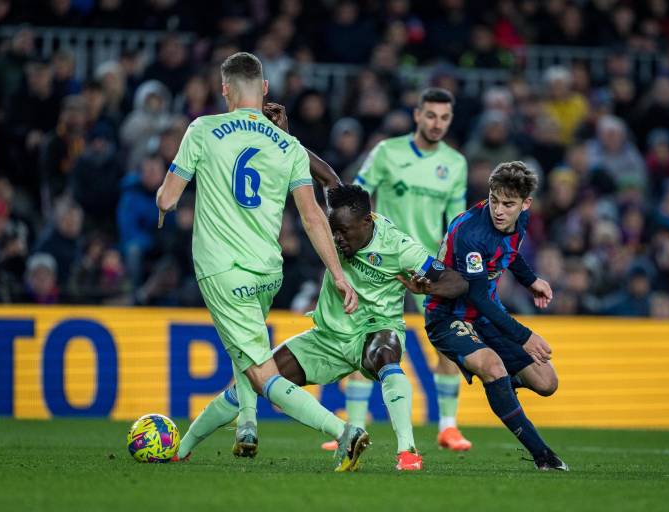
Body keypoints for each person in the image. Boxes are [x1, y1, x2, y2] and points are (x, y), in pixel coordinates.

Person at [155, 52, 366, 472]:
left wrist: (165, 206)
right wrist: (339, 275)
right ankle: (236, 428)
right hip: (268, 272)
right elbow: (311, 216)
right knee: (245, 360)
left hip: (222, 270)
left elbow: (167, 196)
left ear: (224, 89)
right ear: (264, 89)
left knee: (262, 374)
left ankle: (344, 432)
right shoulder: (288, 145)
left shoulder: (203, 129)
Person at [176, 185, 469, 471]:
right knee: (256, 381)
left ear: (367, 221)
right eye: (334, 231)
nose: (338, 239)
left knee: (385, 355)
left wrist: (428, 288)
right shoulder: (341, 220)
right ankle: (181, 448)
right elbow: (322, 174)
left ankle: (407, 452)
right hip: (326, 337)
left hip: (375, 329)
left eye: (344, 231)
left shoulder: (401, 248)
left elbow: (458, 282)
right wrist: (291, 147)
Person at [423, 161, 568, 471]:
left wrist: (531, 281)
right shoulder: (471, 233)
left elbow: (509, 252)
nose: (499, 210)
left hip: (486, 314)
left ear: (525, 204)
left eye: (508, 204)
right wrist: (524, 336)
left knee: (547, 382)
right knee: (493, 366)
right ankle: (544, 456)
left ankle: (501, 387)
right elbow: (474, 294)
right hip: (448, 315)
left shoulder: (522, 219)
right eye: (494, 200)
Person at [350, 87, 472, 451]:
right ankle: (354, 426)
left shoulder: (456, 163)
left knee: (447, 342)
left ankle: (448, 426)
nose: (437, 124)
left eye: (445, 118)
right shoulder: (388, 152)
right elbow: (357, 194)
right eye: (431, 115)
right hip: (381, 260)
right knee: (363, 340)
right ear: (417, 115)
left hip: (425, 263)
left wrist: (452, 266)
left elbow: (455, 221)